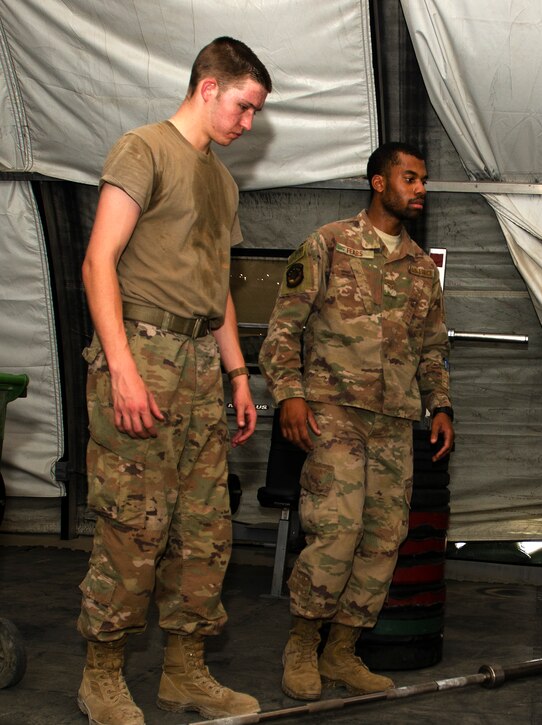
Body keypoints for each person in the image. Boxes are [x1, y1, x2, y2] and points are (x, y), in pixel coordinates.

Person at [76, 37, 270, 725]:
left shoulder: (220, 180)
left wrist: (238, 373)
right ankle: (102, 674)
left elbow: (216, 285)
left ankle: (184, 672)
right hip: (144, 354)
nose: (248, 125)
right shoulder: (144, 149)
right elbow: (99, 263)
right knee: (133, 525)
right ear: (208, 87)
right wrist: (121, 366)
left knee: (204, 527)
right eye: (244, 108)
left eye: (256, 114)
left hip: (197, 368)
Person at [259, 141, 453, 701]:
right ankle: (302, 644)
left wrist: (440, 406)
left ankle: (342, 651)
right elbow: (283, 330)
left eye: (423, 181)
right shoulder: (328, 243)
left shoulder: (421, 269)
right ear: (378, 182)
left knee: (382, 539)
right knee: (336, 533)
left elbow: (432, 350)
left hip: (395, 421)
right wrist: (291, 397)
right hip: (333, 413)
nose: (420, 189)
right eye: (411, 178)